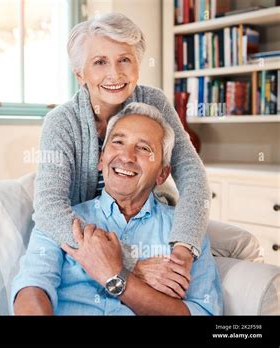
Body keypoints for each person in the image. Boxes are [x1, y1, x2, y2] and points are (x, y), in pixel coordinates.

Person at [33, 13, 214, 295]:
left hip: (149, 220)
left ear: (138, 65)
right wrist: (125, 264)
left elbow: (192, 173)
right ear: (80, 73)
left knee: (235, 242)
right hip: (88, 230)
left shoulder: (153, 101)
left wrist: (182, 253)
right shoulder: (61, 122)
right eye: (100, 62)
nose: (115, 74)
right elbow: (49, 207)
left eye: (124, 60)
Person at [13, 103, 223, 315]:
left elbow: (201, 311)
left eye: (143, 148)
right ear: (100, 160)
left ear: (162, 173)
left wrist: (116, 276)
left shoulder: (185, 237)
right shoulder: (61, 221)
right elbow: (31, 289)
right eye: (118, 142)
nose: (127, 156)